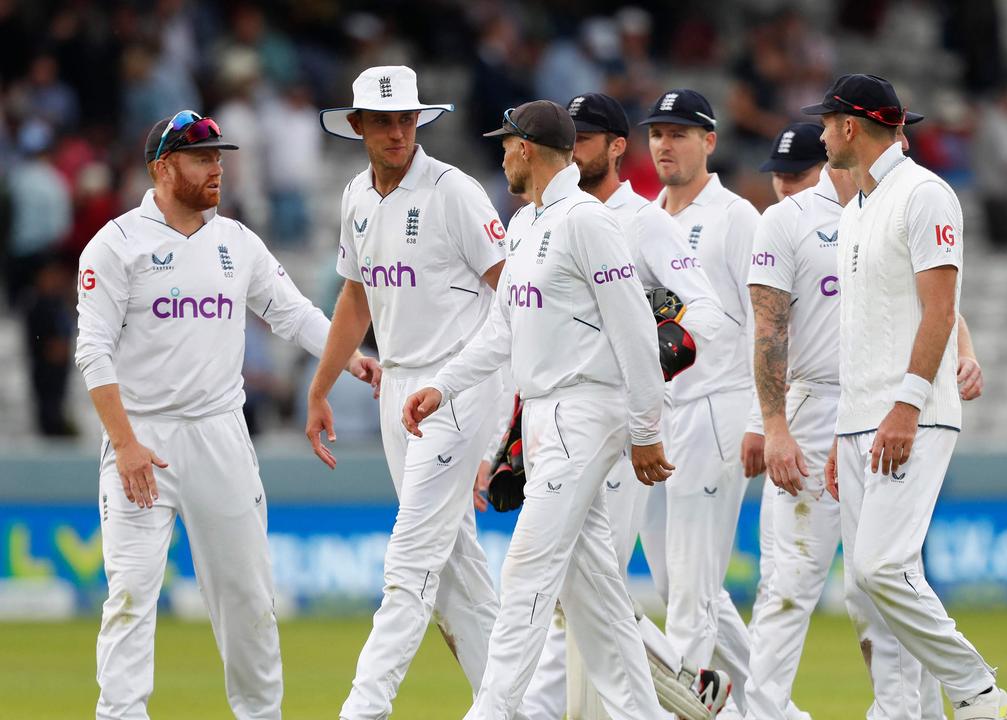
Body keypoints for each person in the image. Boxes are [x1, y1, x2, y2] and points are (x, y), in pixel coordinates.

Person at [75, 110, 379, 719]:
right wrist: (126, 444)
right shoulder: (116, 244)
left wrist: (349, 358)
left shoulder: (236, 242)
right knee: (131, 595)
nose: (217, 168)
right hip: (141, 442)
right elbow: (93, 350)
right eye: (201, 158)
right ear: (163, 168)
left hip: (220, 436)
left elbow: (290, 312)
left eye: (219, 156)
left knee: (248, 600)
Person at [401, 100, 674, 720]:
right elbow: (503, 331)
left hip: (585, 410)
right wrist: (443, 386)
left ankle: (491, 712)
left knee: (526, 569)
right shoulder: (524, 226)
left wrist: (645, 428)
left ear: (526, 148)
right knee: (594, 589)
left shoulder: (588, 222)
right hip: (544, 413)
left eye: (506, 146)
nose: (501, 157)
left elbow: (635, 329)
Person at [742, 121, 983, 720]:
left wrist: (965, 350)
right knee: (791, 582)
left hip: (885, 402)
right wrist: (772, 425)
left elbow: (932, 300)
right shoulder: (792, 219)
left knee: (886, 582)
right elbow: (768, 330)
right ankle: (765, 712)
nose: (781, 187)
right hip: (817, 404)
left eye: (787, 176)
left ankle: (912, 711)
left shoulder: (891, 202)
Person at [810, 74, 1007, 720]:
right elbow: (866, 326)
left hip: (910, 415)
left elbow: (941, 309)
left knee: (882, 568)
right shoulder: (855, 209)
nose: (820, 135)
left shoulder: (925, 195)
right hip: (857, 421)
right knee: (862, 593)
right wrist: (841, 432)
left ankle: (977, 693)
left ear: (851, 126)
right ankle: (905, 713)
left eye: (825, 123)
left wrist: (905, 405)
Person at [522, 91, 730, 720]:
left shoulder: (642, 222)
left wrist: (655, 352)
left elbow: (710, 314)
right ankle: (688, 691)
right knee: (585, 587)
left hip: (618, 425)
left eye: (586, 138)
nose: (572, 149)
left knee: (582, 582)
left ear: (616, 148)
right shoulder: (550, 220)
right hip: (559, 421)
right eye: (568, 137)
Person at [307, 65, 507, 720]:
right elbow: (355, 295)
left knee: (410, 560)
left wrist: (511, 402)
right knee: (455, 568)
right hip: (396, 388)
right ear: (358, 125)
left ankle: (364, 709)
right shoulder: (356, 198)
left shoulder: (455, 192)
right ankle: (515, 704)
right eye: (383, 120)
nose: (397, 131)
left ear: (419, 119)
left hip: (457, 385)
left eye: (406, 118)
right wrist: (320, 387)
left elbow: (515, 294)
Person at [639, 88, 759, 713]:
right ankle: (773, 708)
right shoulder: (646, 218)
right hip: (662, 413)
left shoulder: (736, 217)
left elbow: (769, 320)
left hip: (718, 407)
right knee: (680, 585)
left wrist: (767, 420)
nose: (665, 144)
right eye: (657, 133)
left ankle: (686, 708)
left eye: (680, 133)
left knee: (690, 589)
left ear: (709, 141)